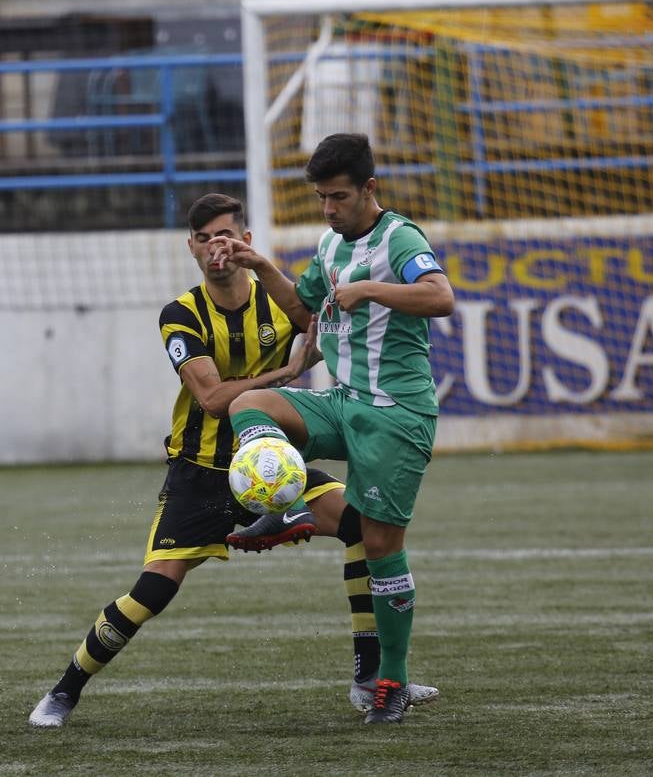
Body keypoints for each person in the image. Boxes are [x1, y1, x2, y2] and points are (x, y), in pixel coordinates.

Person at [28, 192, 435, 729]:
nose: (215, 246)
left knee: (364, 528)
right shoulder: (180, 314)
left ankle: (369, 680)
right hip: (203, 472)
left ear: (245, 241)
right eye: (203, 239)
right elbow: (214, 401)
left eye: (225, 235)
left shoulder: (277, 300)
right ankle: (64, 690)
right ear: (192, 250)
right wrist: (283, 375)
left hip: (277, 465)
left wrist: (318, 347)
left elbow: (320, 328)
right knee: (154, 589)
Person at [208, 133, 455, 725]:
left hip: (397, 415)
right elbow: (305, 312)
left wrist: (369, 289)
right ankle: (288, 500)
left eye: (339, 196)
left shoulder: (400, 237)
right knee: (254, 405)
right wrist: (262, 265)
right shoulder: (327, 244)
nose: (328, 208)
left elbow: (440, 297)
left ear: (369, 189)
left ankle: (391, 679)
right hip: (344, 403)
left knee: (378, 547)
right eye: (321, 197)